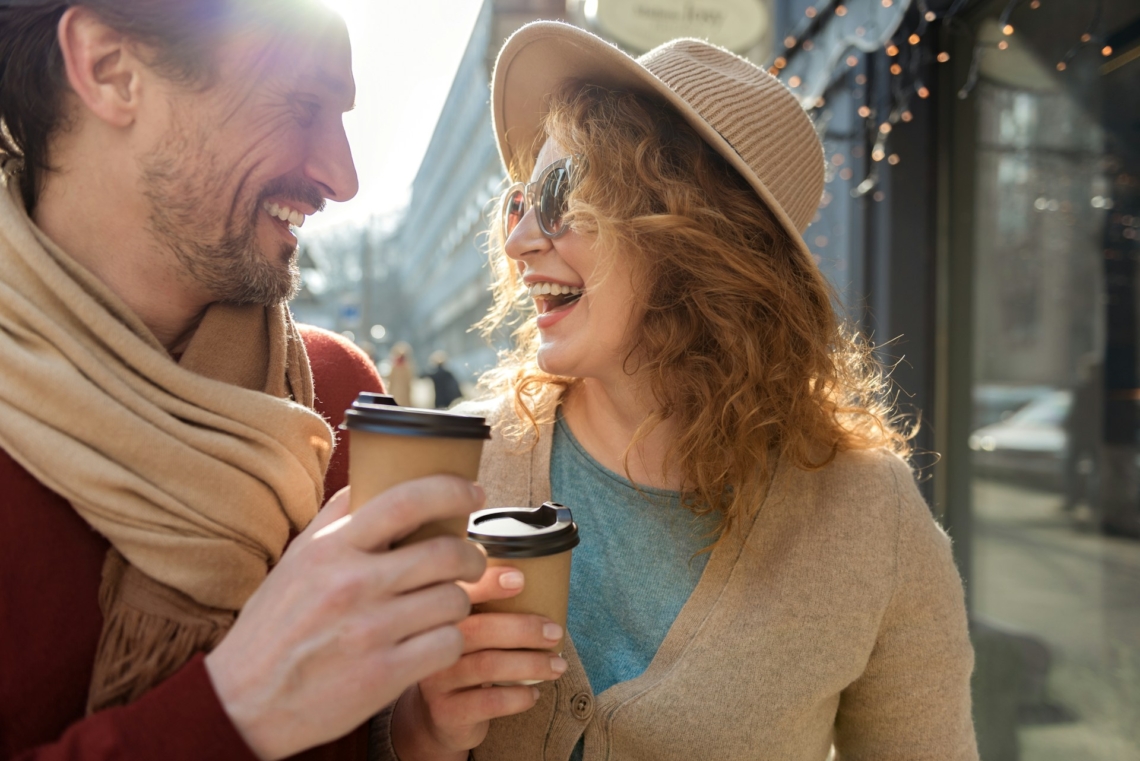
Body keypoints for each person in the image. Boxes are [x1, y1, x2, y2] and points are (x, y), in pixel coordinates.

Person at [388, 22, 979, 761]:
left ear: (696, 237)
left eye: (563, 194)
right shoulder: (458, 469)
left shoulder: (872, 521)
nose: (518, 241)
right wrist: (418, 731)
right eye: (518, 203)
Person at [0, 2, 551, 760]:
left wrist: (415, 733)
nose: (342, 177)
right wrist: (237, 706)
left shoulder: (341, 394)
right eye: (301, 105)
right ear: (109, 70)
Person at [385, 341, 416, 407]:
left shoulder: (407, 368)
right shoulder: (395, 367)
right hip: (396, 395)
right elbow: (391, 381)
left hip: (403, 395)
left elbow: (409, 383)